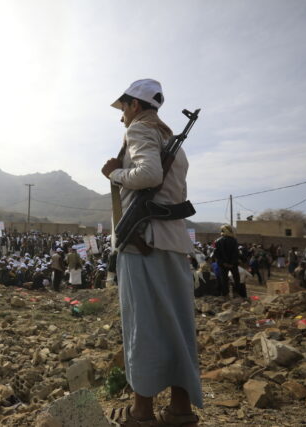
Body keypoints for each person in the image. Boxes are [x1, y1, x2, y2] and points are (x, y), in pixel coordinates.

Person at [101, 79, 201, 425]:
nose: (121, 118)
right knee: (178, 327)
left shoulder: (141, 130)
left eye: (123, 108)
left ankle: (141, 412)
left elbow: (147, 174)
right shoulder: (169, 138)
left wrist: (114, 173)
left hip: (143, 243)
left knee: (141, 326)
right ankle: (180, 409)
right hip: (172, 242)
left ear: (134, 105)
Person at [214, 225, 245, 298]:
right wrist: (232, 263)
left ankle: (225, 294)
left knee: (224, 279)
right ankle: (236, 293)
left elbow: (217, 254)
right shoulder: (234, 240)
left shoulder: (217, 241)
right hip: (233, 264)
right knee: (236, 278)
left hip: (223, 264)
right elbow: (235, 253)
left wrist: (223, 263)